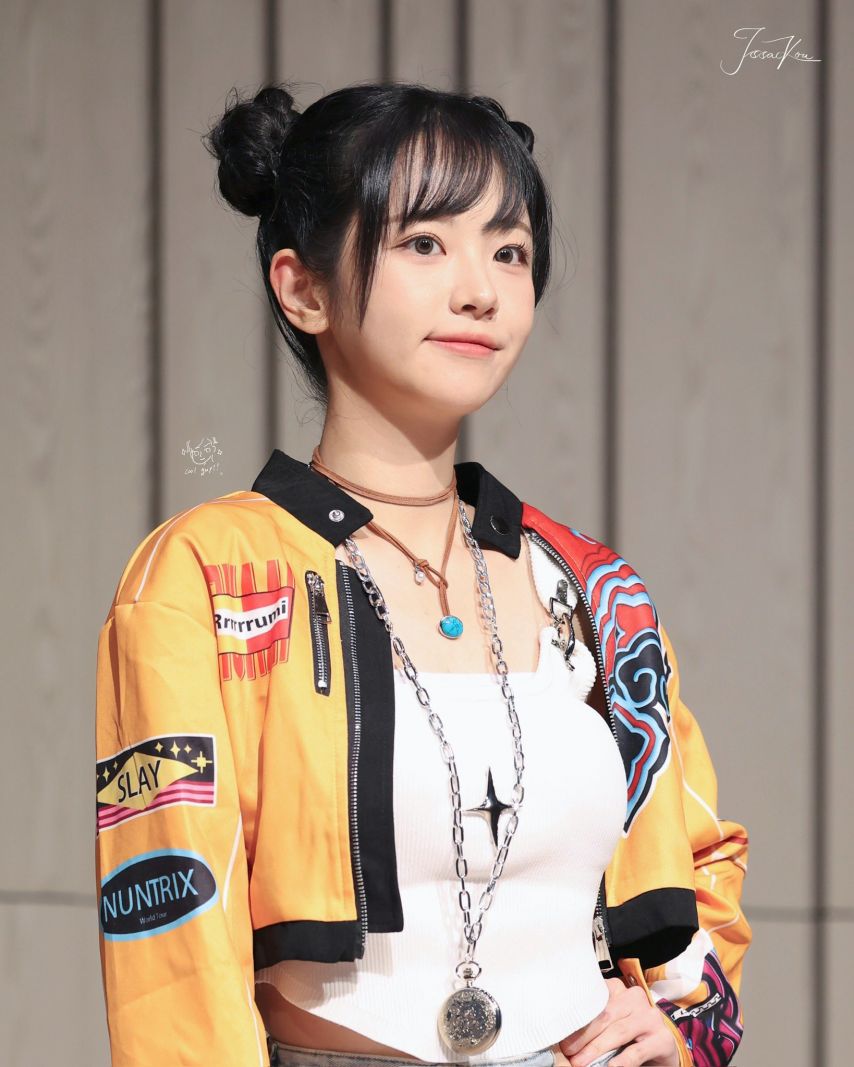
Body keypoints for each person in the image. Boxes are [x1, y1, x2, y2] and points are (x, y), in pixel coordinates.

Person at [94, 82, 751, 1067]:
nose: (480, 289)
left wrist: (683, 1020)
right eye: (425, 243)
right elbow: (170, 927)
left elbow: (699, 849)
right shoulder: (206, 577)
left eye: (509, 250)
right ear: (303, 289)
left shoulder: (589, 586)